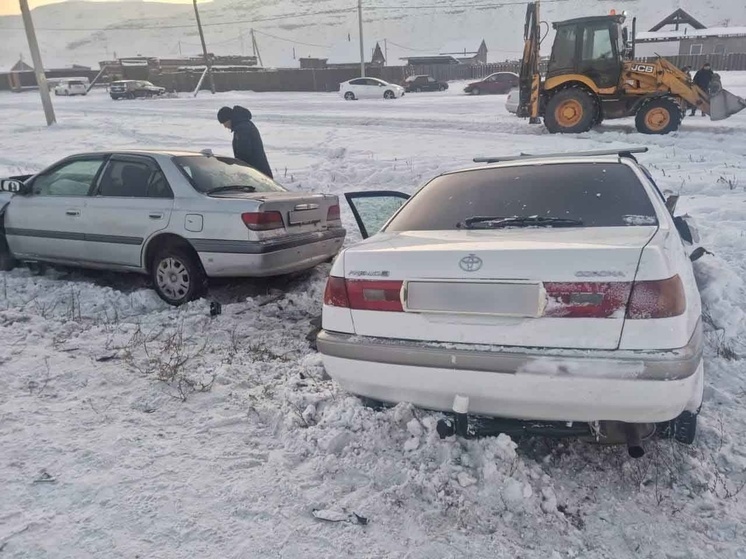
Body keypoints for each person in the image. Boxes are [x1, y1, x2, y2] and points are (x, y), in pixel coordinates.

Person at [217, 105, 273, 178]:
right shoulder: (244, 125)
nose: (225, 126)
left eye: (224, 123)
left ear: (229, 119)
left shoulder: (242, 129)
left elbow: (243, 154)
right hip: (259, 171)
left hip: (256, 173)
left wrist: (234, 165)